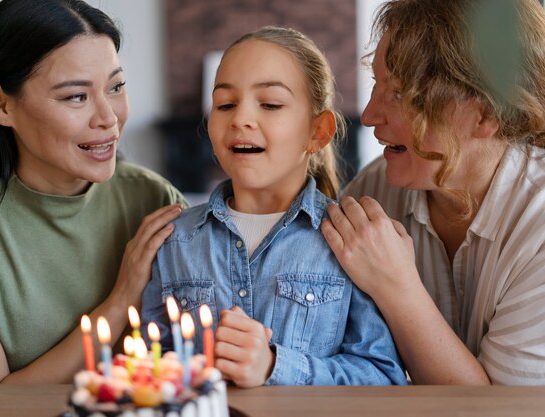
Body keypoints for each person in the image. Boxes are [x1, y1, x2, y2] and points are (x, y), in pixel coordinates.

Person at [321, 0, 545, 385]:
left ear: (488, 114)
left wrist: (397, 287)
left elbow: (504, 412)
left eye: (402, 95)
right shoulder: (376, 192)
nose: (370, 115)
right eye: (378, 85)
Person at [141, 26, 406, 387]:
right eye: (226, 104)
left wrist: (274, 366)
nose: (240, 119)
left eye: (270, 104)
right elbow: (144, 366)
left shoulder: (351, 242)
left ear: (318, 132)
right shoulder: (174, 241)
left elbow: (385, 379)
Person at [0, 0, 186, 383]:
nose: (108, 118)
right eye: (76, 96)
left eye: (116, 87)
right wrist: (120, 300)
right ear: (1, 104)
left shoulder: (154, 200)